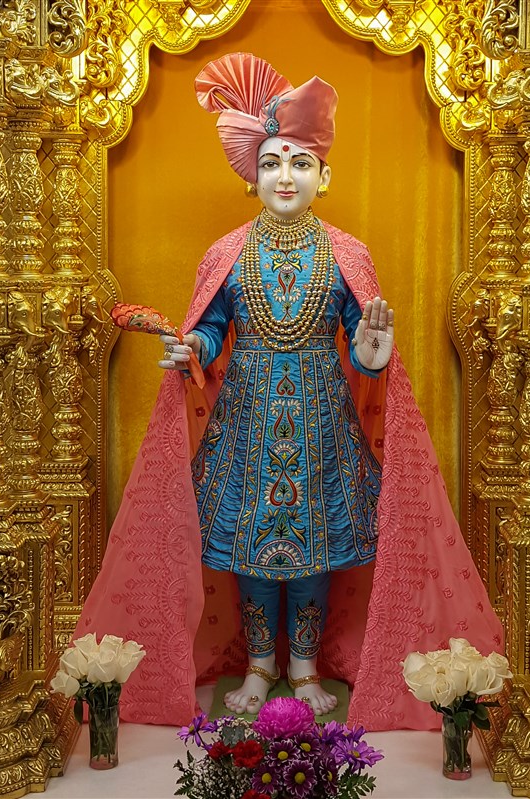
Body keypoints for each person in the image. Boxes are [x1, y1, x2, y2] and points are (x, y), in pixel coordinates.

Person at [73, 52, 503, 730]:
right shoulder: (227, 253)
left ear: (324, 178)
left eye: (301, 163)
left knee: (312, 545)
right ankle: (258, 664)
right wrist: (193, 348)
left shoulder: (347, 253)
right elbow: (211, 326)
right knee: (249, 545)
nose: (284, 176)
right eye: (272, 162)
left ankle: (303, 664)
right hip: (245, 421)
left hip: (321, 423)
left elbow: (363, 343)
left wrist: (371, 355)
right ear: (252, 177)